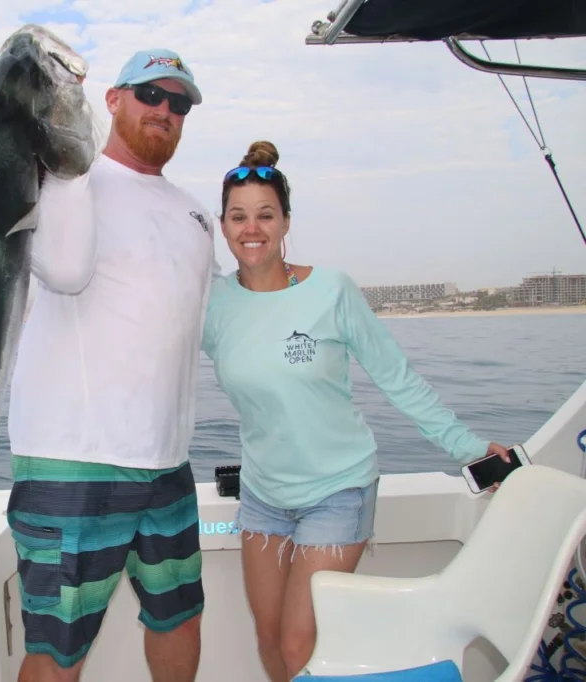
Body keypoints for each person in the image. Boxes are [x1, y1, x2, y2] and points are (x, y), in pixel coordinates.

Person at [201, 140, 510, 682]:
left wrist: (467, 446)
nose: (252, 228)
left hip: (337, 489)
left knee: (301, 641)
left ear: (286, 221)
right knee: (269, 637)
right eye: (239, 216)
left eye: (265, 215)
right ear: (223, 227)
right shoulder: (214, 306)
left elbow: (397, 377)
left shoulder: (331, 290)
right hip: (263, 495)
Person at [5, 48, 219, 682]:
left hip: (166, 464)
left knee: (180, 618)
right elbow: (65, 270)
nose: (165, 110)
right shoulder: (64, 179)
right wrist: (62, 159)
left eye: (179, 103)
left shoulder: (196, 213)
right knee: (57, 647)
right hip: (75, 460)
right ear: (113, 100)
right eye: (151, 93)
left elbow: (206, 324)